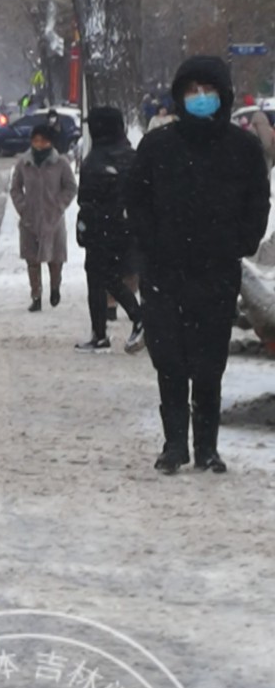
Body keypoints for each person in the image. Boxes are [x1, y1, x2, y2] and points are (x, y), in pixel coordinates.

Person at [126, 55, 273, 473]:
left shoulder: (241, 148)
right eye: (192, 91)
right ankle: (175, 445)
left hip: (216, 272)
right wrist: (152, 244)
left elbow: (258, 200)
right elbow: (135, 198)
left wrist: (241, 242)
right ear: (180, 96)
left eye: (208, 91)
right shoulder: (158, 146)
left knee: (209, 364)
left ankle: (207, 448)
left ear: (222, 96)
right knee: (170, 361)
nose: (201, 98)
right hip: (165, 272)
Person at [74, 106, 144, 352]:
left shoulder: (95, 160)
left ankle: (106, 331)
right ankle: (112, 328)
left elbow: (85, 200)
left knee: (99, 278)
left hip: (100, 229)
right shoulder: (131, 155)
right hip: (127, 227)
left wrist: (84, 228)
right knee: (112, 277)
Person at [10, 121, 77, 311]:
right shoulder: (24, 162)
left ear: (51, 142)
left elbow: (71, 187)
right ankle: (36, 296)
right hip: (29, 218)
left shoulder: (60, 163)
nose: (39, 144)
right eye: (36, 140)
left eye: (43, 141)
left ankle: (55, 287)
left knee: (55, 259)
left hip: (52, 219)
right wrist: (22, 207)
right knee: (32, 260)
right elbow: (15, 188)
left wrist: (59, 205)